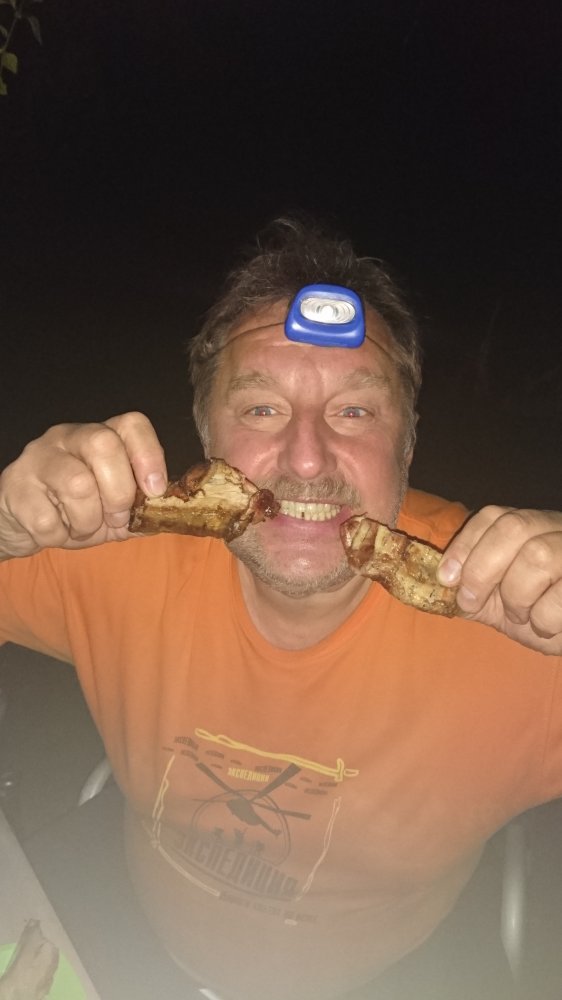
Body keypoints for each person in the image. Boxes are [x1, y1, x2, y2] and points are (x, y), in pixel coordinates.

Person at [0, 217, 561, 1000]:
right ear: (205, 433)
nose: (305, 457)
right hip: (125, 947)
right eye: (261, 409)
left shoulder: (521, 624)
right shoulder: (111, 546)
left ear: (408, 444)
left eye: (354, 412)